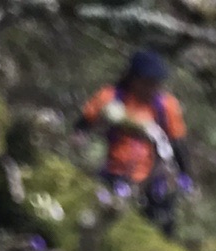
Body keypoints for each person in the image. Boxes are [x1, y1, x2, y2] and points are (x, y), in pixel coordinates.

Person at [77, 50, 193, 236]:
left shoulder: (166, 106)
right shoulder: (110, 97)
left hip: (152, 179)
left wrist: (185, 176)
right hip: (113, 174)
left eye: (156, 83)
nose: (152, 88)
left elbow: (178, 143)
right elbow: (82, 126)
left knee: (162, 225)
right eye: (147, 82)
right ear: (133, 78)